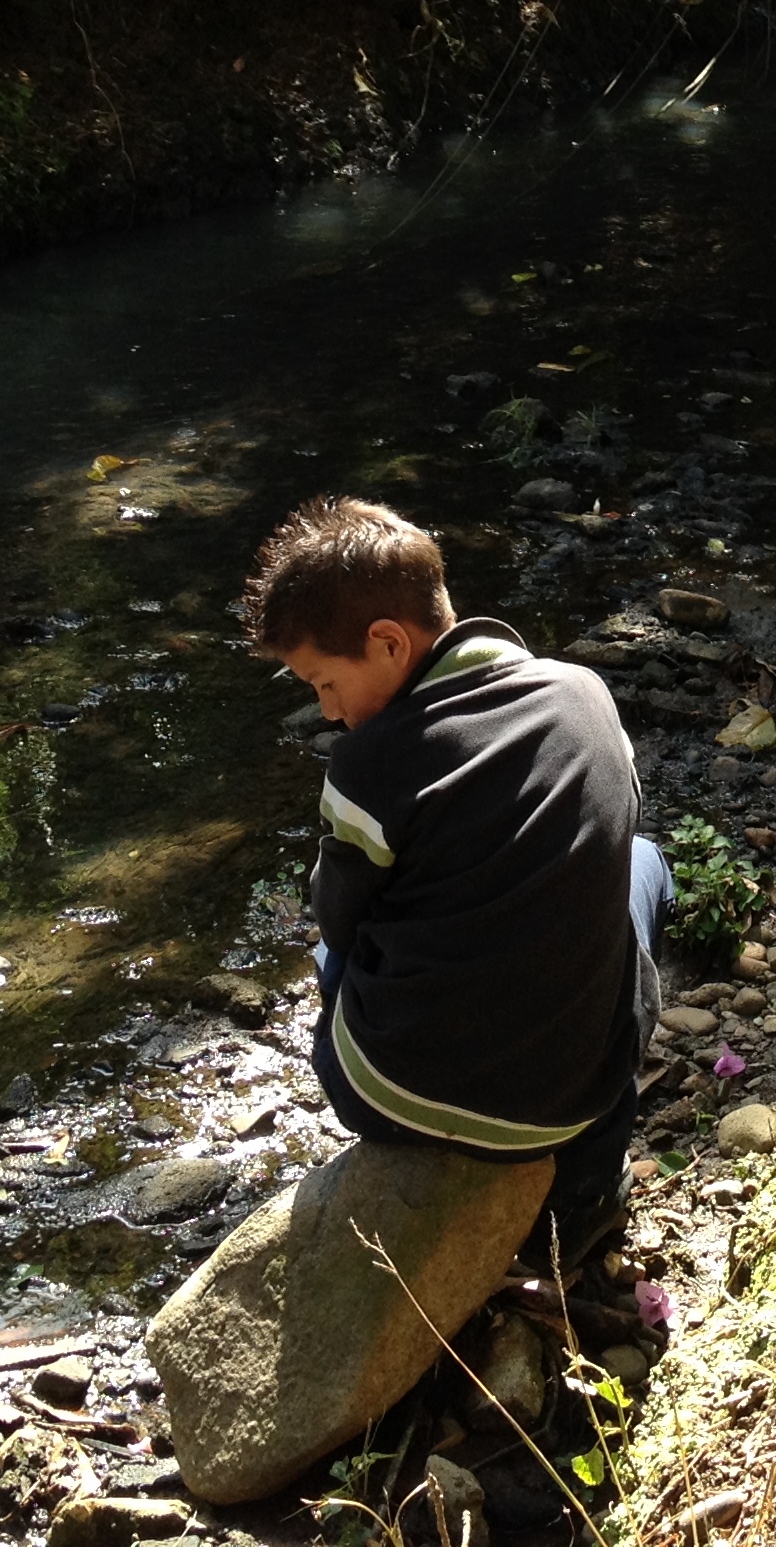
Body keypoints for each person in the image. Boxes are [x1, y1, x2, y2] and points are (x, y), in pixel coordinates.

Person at [246, 495, 668, 1263]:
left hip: (395, 1092)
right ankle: (590, 1185)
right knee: (642, 863)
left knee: (329, 952)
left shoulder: (368, 764)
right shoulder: (585, 695)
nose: (329, 711)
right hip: (579, 1096)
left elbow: (338, 920)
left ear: (387, 643)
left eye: (323, 682)